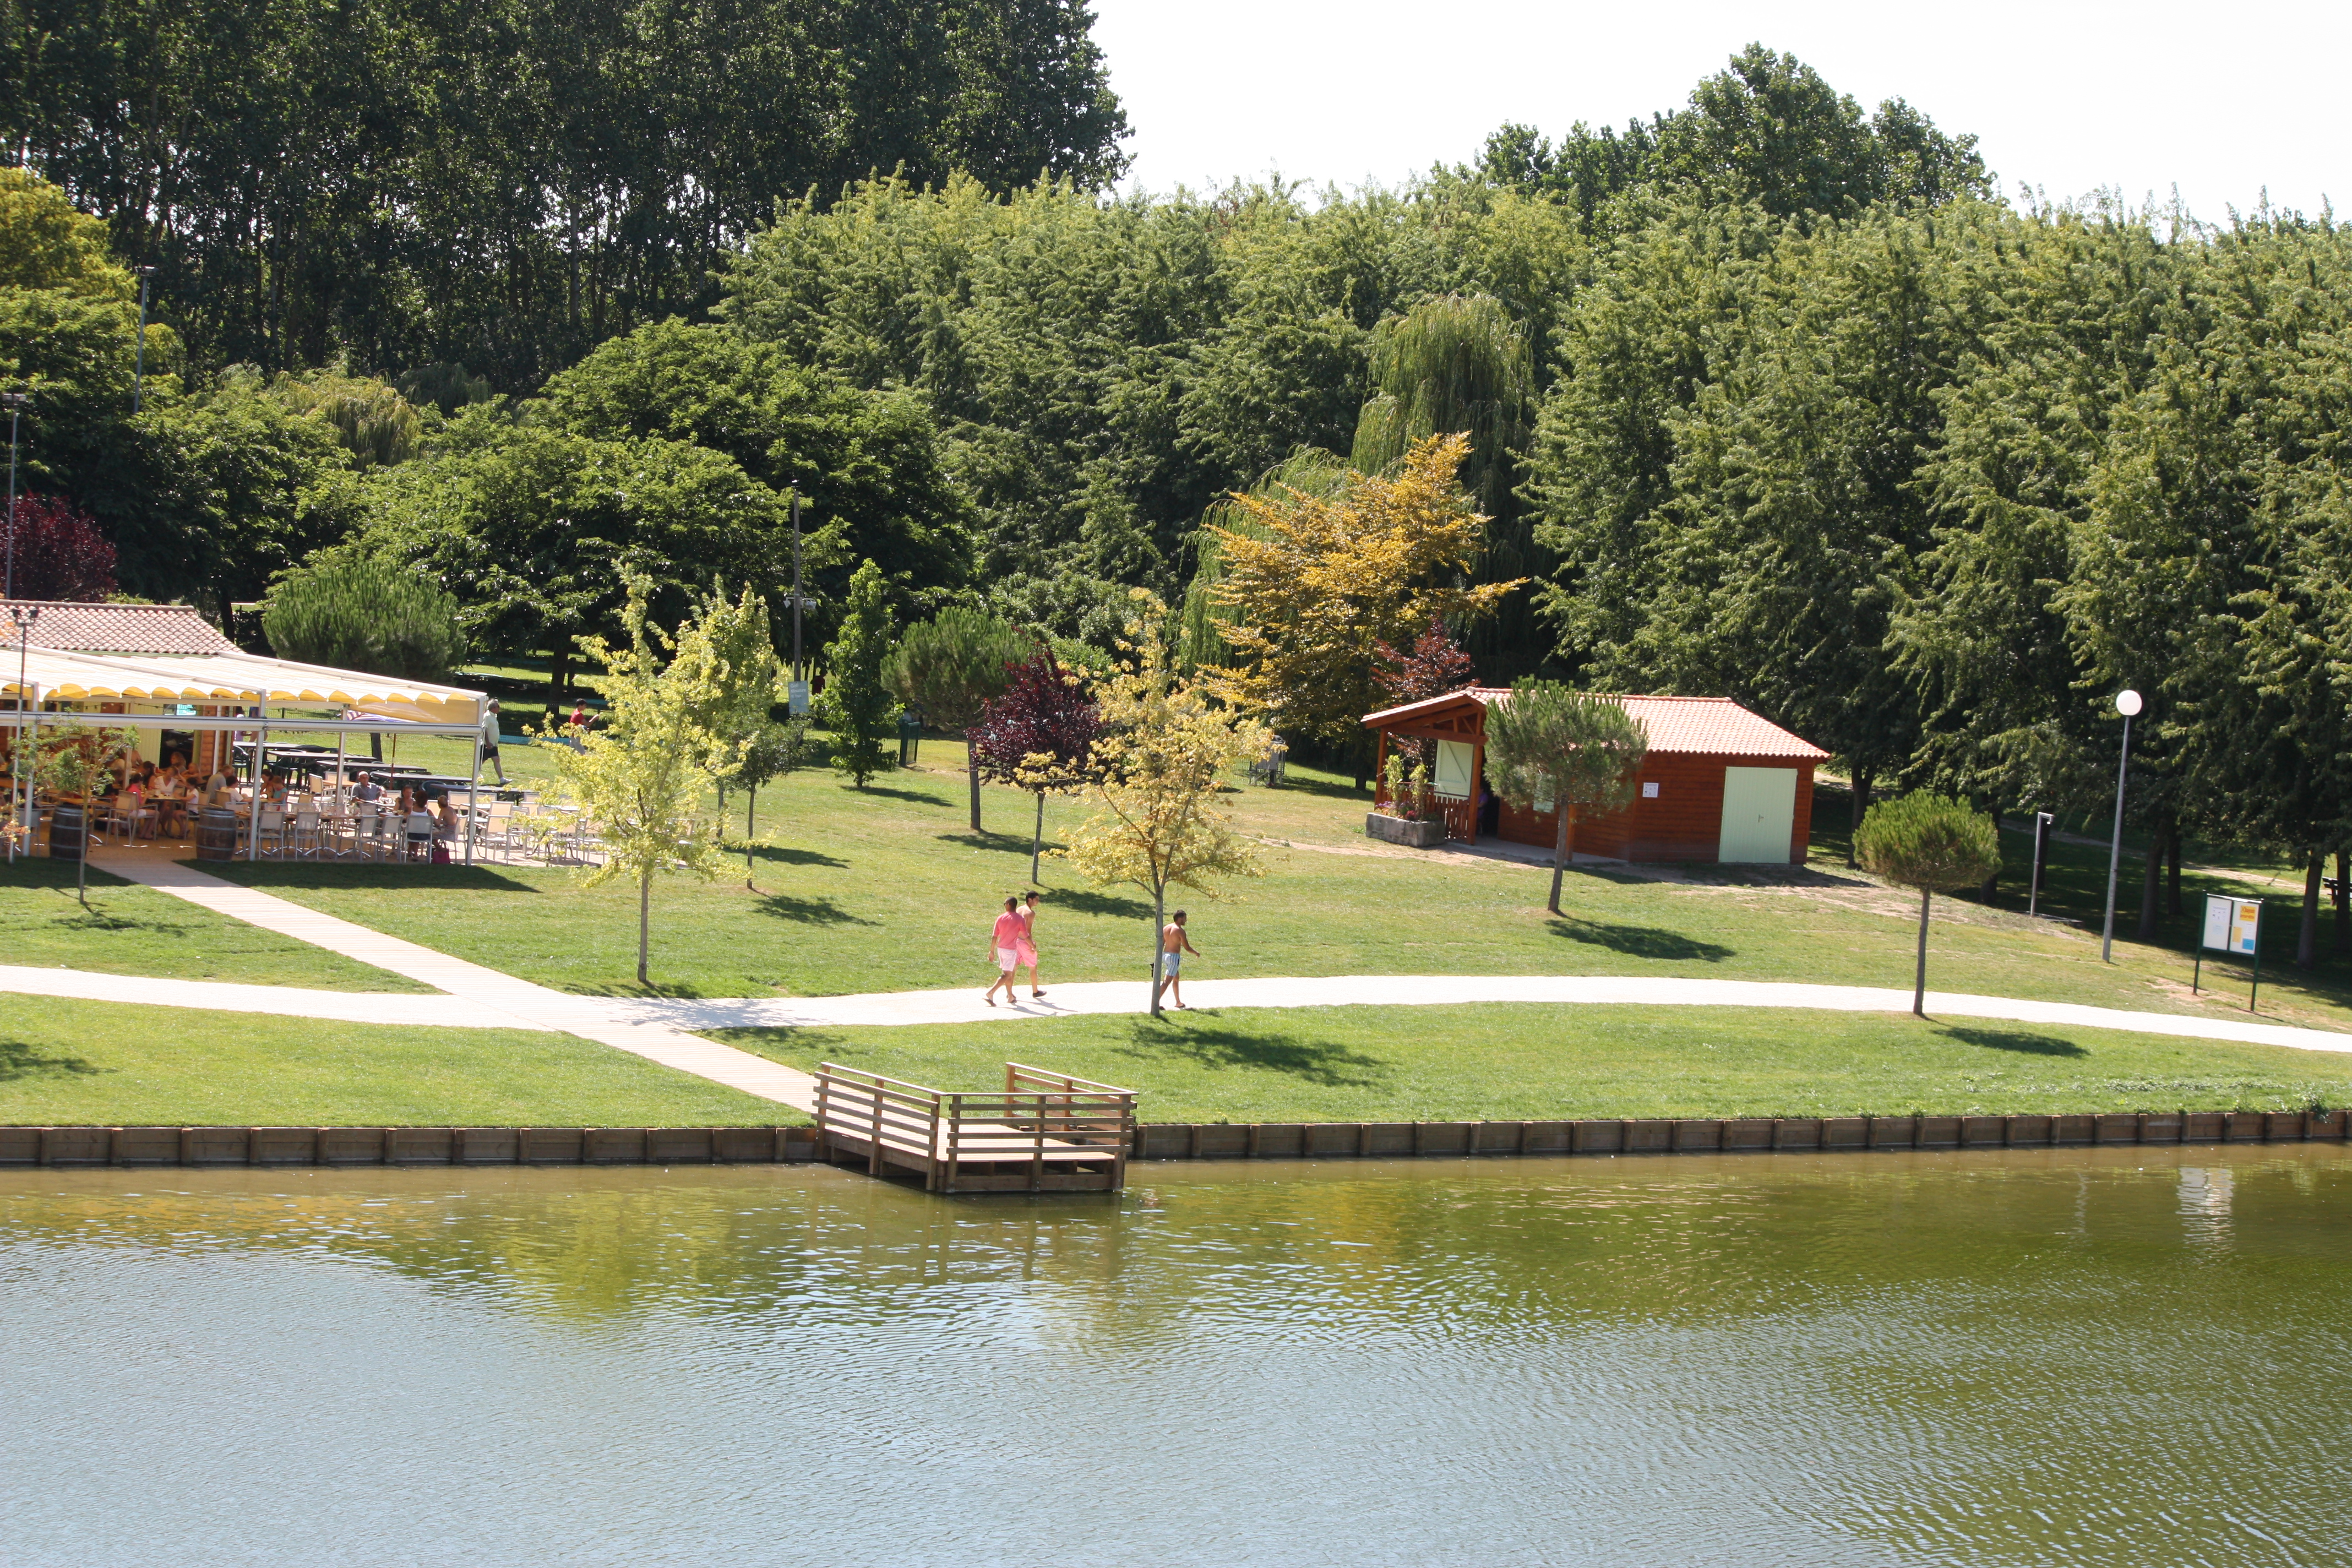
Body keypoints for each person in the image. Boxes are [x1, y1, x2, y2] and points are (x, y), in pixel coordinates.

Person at [1156, 910, 1201, 1011]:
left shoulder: (1166, 928)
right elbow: (1187, 947)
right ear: (1180, 919)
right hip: (1174, 957)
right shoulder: (1180, 931)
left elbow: (1162, 943)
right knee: (1167, 981)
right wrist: (1196, 953)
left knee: (1176, 978)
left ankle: (1178, 1002)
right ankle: (1155, 1003)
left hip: (1165, 955)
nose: (1186, 920)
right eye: (1185, 918)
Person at [984, 896, 1025, 1007]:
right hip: (1010, 950)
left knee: (1008, 973)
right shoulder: (1020, 919)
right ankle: (991, 993)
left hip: (1001, 949)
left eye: (1005, 904)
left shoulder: (1000, 918)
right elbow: (1025, 935)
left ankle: (1010, 996)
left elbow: (995, 936)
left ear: (1009, 905)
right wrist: (1031, 945)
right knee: (1007, 974)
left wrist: (991, 951)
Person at [1014, 890, 1046, 998]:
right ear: (1030, 899)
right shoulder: (1031, 913)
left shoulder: (1018, 909)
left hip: (1015, 941)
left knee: (1014, 967)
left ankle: (1010, 993)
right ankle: (1035, 991)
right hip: (1024, 942)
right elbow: (1028, 931)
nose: (1038, 902)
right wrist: (1032, 945)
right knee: (1033, 967)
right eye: (1036, 899)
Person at [479, 699, 507, 785]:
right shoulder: (487, 716)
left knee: (496, 760)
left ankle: (502, 779)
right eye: (498, 707)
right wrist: (488, 742)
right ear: (493, 708)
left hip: (493, 745)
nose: (499, 708)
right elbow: (484, 729)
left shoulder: (493, 716)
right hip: (487, 745)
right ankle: (476, 777)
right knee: (480, 762)